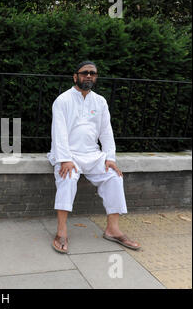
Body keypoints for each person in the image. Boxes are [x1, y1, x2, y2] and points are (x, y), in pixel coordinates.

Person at [47, 61, 141, 254]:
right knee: (68, 178)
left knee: (114, 177)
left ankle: (112, 229)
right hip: (68, 154)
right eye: (84, 73)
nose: (89, 76)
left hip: (92, 154)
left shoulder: (100, 101)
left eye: (93, 73)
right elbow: (59, 132)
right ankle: (61, 231)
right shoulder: (63, 100)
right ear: (76, 76)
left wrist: (110, 158)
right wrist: (64, 159)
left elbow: (106, 132)